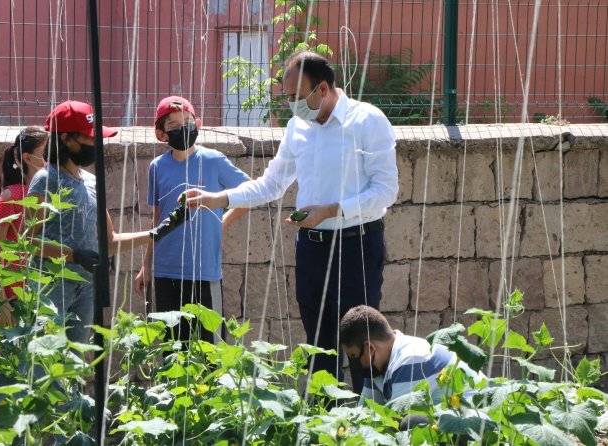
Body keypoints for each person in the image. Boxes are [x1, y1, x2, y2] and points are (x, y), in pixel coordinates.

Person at [183, 51, 398, 390]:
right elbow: (271, 184)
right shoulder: (298, 126)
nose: (290, 105)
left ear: (322, 88)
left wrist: (331, 210)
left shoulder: (367, 121)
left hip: (356, 246)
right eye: (286, 97)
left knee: (362, 346)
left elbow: (386, 191)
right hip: (311, 250)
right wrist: (219, 199)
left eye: (296, 97)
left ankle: (367, 425)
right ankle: (324, 427)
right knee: (318, 350)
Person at [28, 100, 156, 343]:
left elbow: (109, 241)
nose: (97, 144)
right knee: (44, 363)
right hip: (52, 287)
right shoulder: (46, 179)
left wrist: (155, 233)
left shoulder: (90, 181)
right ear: (66, 139)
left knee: (74, 362)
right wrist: (73, 254)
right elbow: (30, 242)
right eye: (89, 138)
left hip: (86, 287)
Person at [134, 96, 249, 343]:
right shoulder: (157, 167)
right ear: (161, 134)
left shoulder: (214, 161)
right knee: (172, 349)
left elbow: (248, 193)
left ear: (198, 123)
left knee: (211, 350)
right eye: (174, 126)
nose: (182, 129)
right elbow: (157, 220)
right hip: (166, 271)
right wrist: (146, 265)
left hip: (204, 271)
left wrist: (222, 222)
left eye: (187, 122)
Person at [339, 305, 485, 407]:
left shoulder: (410, 359)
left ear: (370, 347)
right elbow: (364, 415)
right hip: (455, 427)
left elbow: (395, 425)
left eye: (353, 356)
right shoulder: (377, 367)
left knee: (410, 423)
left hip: (481, 423)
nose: (353, 362)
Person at [0, 126, 48, 325]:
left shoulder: (54, 192)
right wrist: (1, 298)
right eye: (46, 153)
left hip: (45, 285)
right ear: (27, 158)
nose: (51, 158)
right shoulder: (12, 196)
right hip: (15, 289)